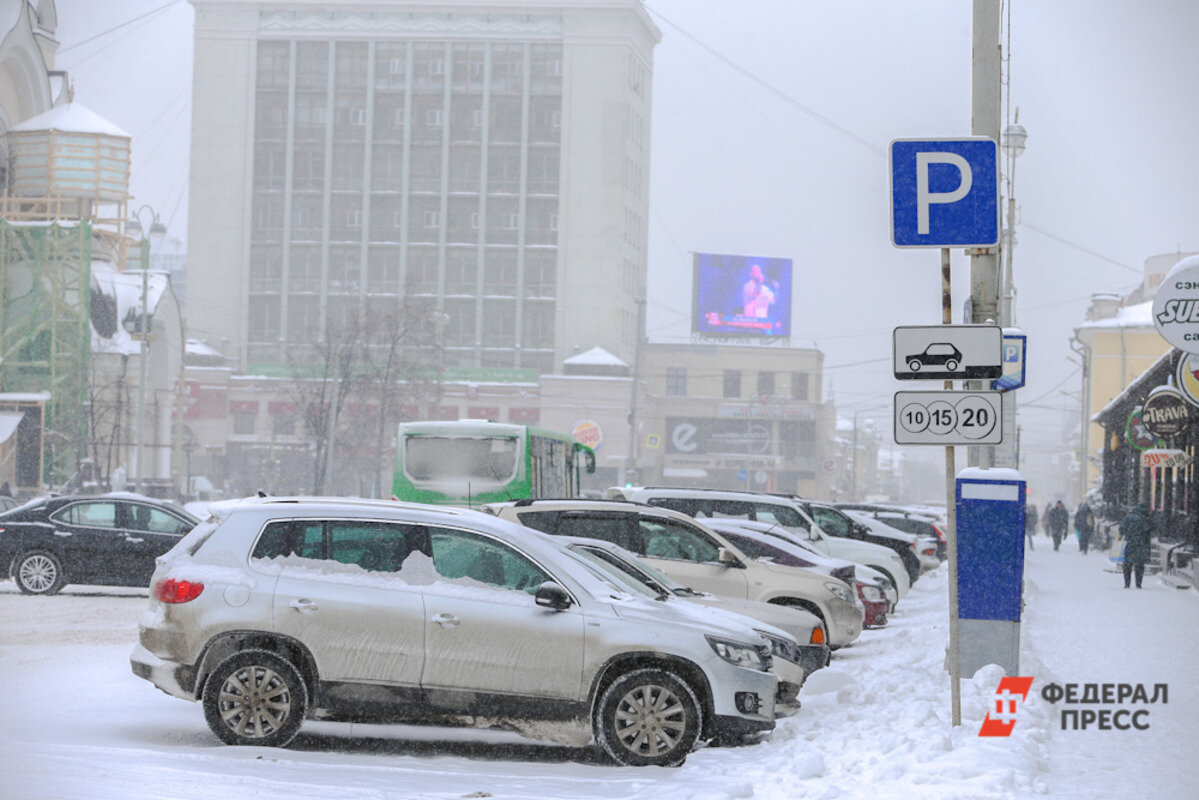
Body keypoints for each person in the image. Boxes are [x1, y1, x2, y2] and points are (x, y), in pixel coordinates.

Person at [1119, 503, 1155, 589]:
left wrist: (1127, 534)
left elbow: (1121, 530)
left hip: (1129, 543)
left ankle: (1127, 583)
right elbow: (1152, 528)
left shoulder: (1128, 518)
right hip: (1141, 544)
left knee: (1127, 564)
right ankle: (1138, 583)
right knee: (1139, 565)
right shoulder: (1145, 519)